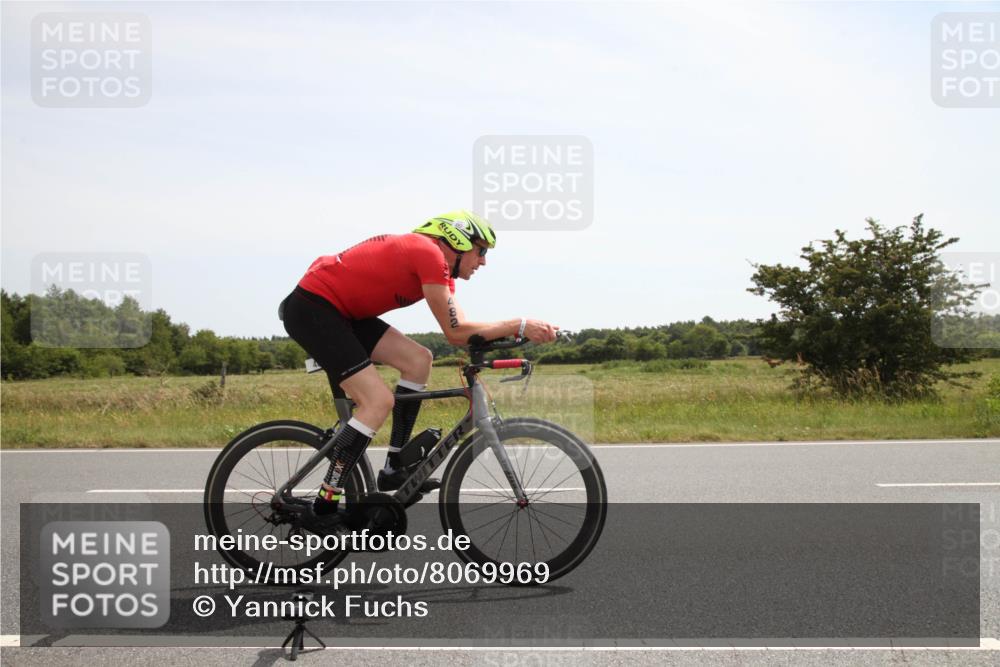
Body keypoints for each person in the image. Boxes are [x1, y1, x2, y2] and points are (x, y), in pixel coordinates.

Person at [278, 210, 559, 525]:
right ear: (457, 239)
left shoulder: (440, 270)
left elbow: (463, 331)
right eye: (480, 250)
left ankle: (393, 468)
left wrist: (513, 334)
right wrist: (519, 323)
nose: (483, 261)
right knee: (377, 401)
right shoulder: (426, 252)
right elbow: (456, 333)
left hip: (342, 314)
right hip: (314, 309)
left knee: (419, 360)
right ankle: (325, 505)